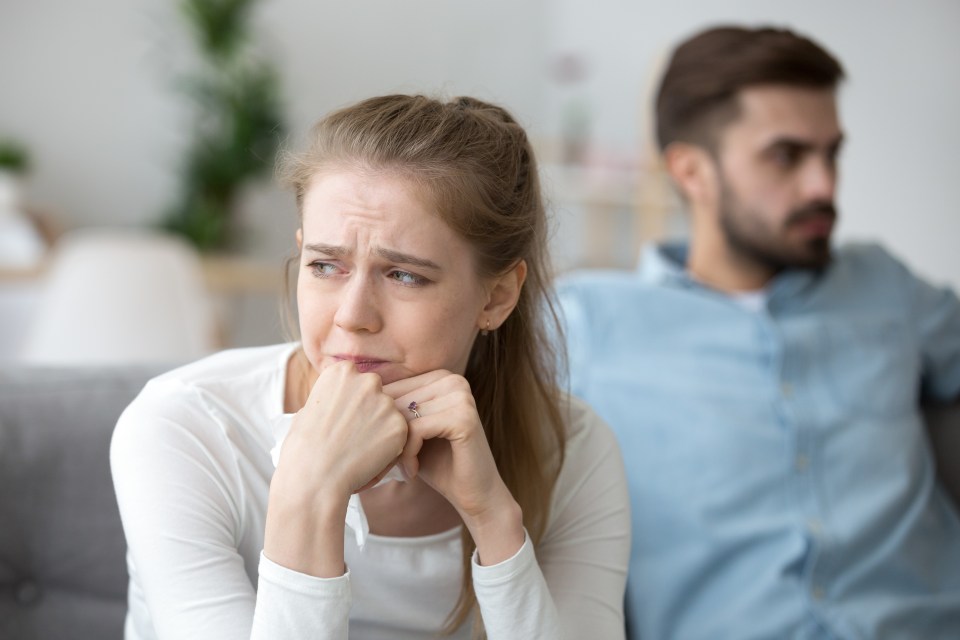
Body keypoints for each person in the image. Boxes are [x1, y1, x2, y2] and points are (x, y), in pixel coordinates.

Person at [111, 95, 630, 639]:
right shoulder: (185, 428)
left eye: (405, 275)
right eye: (325, 265)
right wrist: (309, 489)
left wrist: (497, 523)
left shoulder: (573, 451)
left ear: (497, 297)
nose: (352, 316)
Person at [557, 26, 960, 640]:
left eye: (832, 153)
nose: (823, 185)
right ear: (691, 170)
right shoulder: (588, 323)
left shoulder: (885, 285)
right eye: (786, 156)